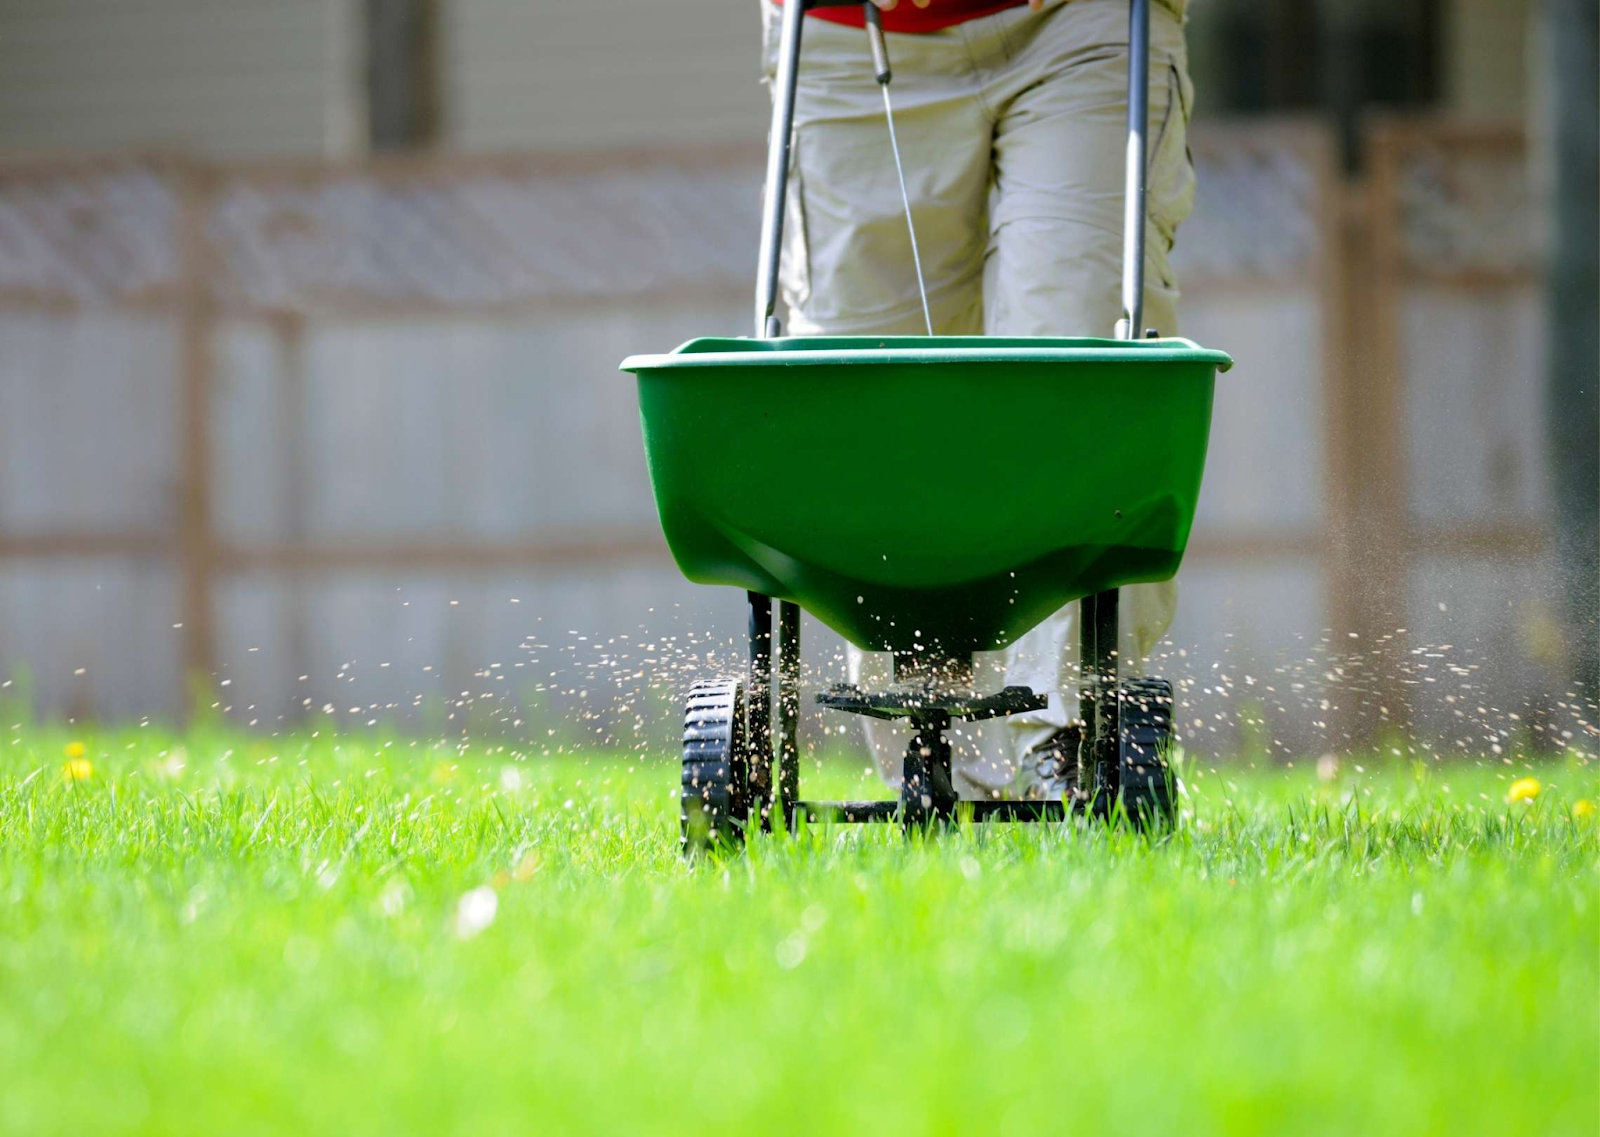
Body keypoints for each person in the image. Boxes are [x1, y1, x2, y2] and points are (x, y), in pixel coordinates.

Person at [764, 0, 1195, 798]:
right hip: (851, 37)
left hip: (1079, 26)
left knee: (1076, 351)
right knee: (873, 403)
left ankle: (1068, 743)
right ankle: (930, 755)